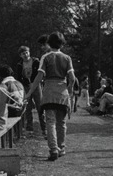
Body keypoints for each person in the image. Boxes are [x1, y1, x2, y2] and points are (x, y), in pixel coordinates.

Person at [25, 31, 76, 161]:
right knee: (62, 123)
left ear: (49, 43)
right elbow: (72, 78)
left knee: (50, 122)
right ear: (62, 44)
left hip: (48, 92)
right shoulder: (67, 58)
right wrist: (69, 90)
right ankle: (62, 148)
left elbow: (39, 77)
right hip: (62, 93)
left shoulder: (46, 57)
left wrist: (29, 93)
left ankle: (53, 149)